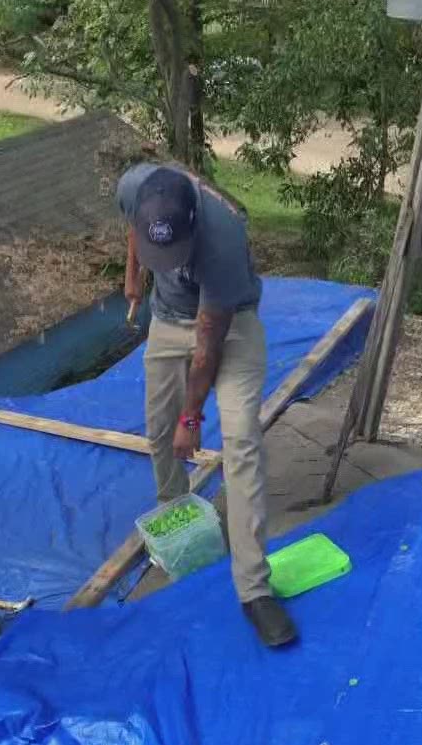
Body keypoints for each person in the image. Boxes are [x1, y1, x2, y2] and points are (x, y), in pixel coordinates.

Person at [117, 161, 295, 648]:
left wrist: (192, 419)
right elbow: (131, 224)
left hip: (228, 325)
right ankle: (181, 530)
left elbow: (208, 345)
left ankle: (254, 589)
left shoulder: (223, 241)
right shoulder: (135, 187)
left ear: (193, 222)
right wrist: (133, 273)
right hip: (167, 320)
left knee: (240, 442)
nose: (169, 261)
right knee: (157, 431)